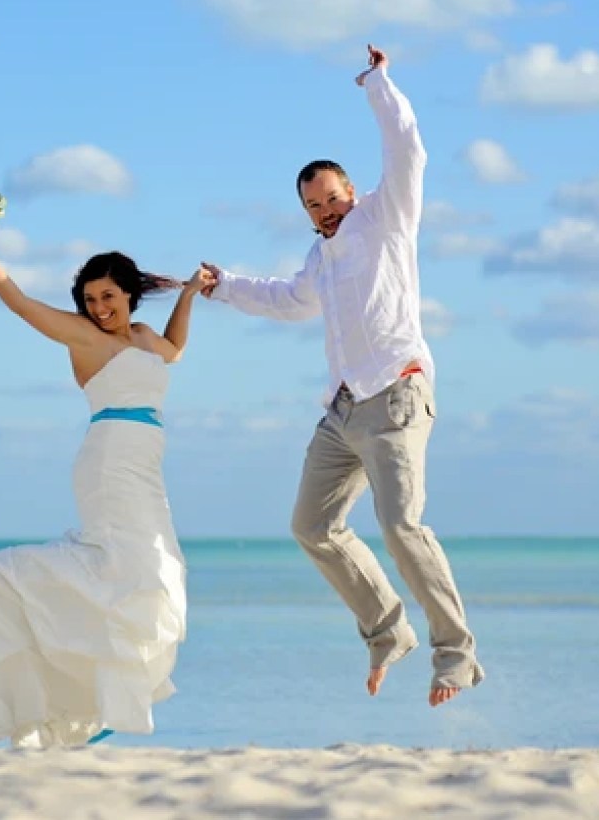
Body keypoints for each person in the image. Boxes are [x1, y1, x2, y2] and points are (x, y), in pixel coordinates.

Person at [200, 45, 484, 706]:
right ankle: (387, 629)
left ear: (351, 192)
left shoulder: (387, 218)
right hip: (343, 410)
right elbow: (285, 300)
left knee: (401, 525)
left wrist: (378, 85)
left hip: (397, 394)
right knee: (311, 525)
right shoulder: (319, 261)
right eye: (313, 205)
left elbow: (408, 150)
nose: (325, 211)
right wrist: (221, 288)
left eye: (331, 198)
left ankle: (456, 653)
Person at [0, 213, 206, 747]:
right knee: (137, 570)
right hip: (109, 463)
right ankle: (103, 703)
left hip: (144, 465)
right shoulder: (83, 337)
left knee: (161, 571)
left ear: (129, 295)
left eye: (108, 298)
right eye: (90, 300)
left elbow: (175, 350)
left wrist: (191, 294)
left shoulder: (147, 338)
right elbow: (21, 301)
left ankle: (101, 697)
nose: (99, 310)